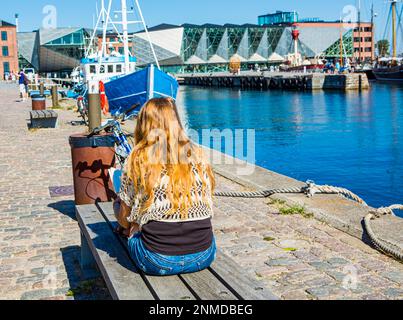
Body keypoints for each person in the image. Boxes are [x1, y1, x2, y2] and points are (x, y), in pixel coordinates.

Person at [114, 97, 216, 276]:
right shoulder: (197, 154)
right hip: (204, 254)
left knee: (121, 207)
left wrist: (131, 226)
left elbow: (124, 219)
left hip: (156, 259)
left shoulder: (138, 158)